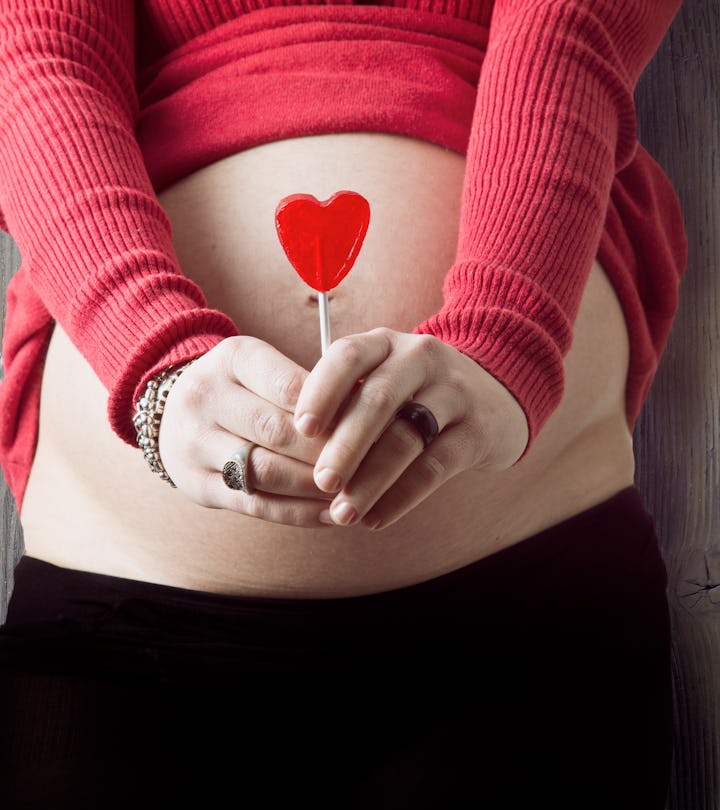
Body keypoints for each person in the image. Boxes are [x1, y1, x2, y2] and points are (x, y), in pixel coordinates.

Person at [0, 0, 687, 807]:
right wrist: (150, 354)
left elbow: (571, 29)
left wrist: (505, 335)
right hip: (120, 613)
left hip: (526, 596)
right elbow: (39, 59)